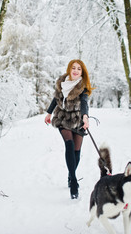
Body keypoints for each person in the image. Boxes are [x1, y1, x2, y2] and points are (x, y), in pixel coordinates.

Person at [44, 59, 94, 199]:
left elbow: (84, 103)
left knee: (77, 152)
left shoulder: (82, 87)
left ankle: (70, 174)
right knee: (69, 144)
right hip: (62, 119)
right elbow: (56, 99)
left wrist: (85, 117)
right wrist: (49, 113)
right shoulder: (62, 83)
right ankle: (73, 180)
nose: (76, 70)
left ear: (82, 72)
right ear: (69, 69)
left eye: (79, 69)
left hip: (77, 121)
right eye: (73, 67)